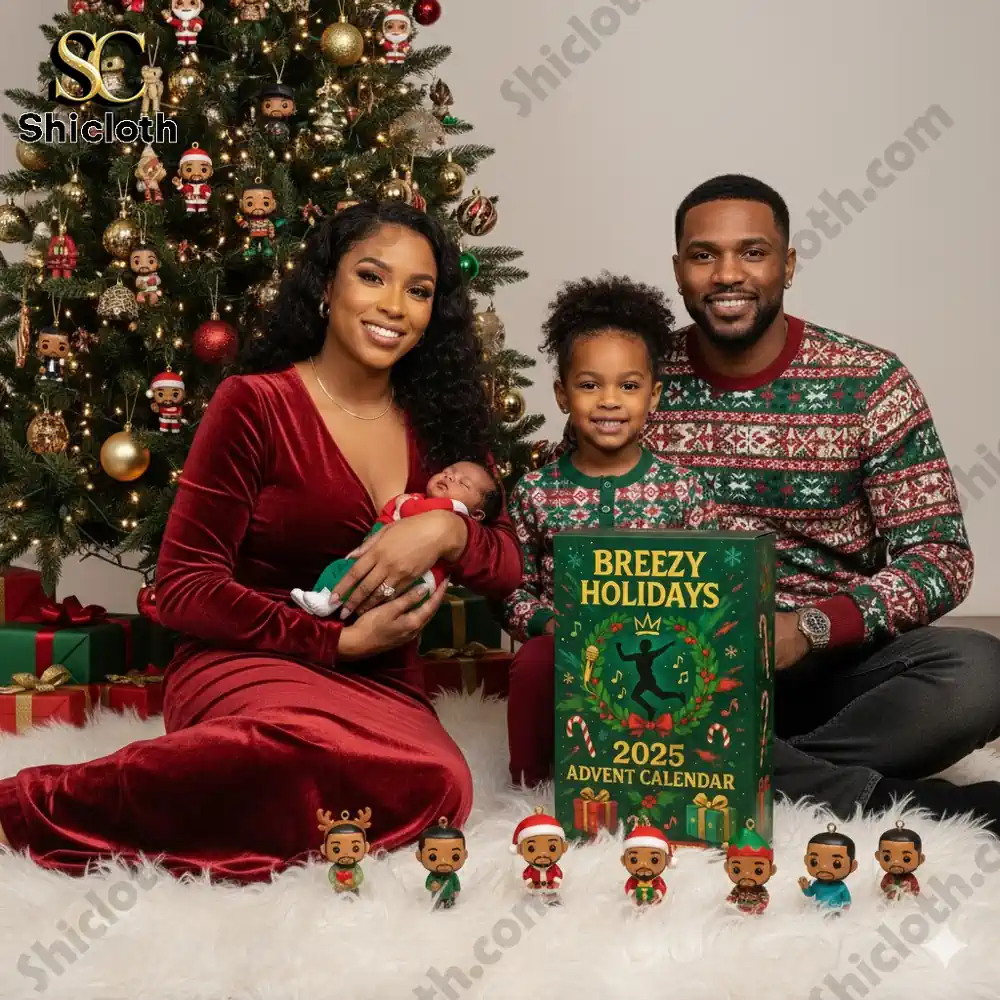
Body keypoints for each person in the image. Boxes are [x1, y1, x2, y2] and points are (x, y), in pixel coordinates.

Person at [0, 202, 522, 882]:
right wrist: (333, 642)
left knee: (436, 783)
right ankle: (29, 804)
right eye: (372, 277)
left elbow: (508, 568)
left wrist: (448, 528)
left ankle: (216, 789)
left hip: (382, 681)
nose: (394, 306)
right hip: (248, 658)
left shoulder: (442, 423)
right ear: (327, 287)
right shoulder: (255, 403)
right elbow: (184, 587)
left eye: (418, 290)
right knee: (291, 749)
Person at [537, 174, 1000, 832]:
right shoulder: (631, 379)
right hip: (682, 673)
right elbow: (578, 513)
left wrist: (814, 626)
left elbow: (942, 558)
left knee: (978, 674)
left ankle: (723, 773)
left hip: (836, 668)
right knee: (577, 681)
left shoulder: (867, 382)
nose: (729, 274)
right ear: (678, 270)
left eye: (752, 252)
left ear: (787, 263)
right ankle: (857, 796)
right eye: (704, 255)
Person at [503, 274, 717, 786]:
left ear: (654, 395)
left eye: (628, 385)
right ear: (561, 394)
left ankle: (679, 771)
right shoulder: (534, 492)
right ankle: (531, 788)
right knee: (535, 663)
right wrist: (548, 626)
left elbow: (715, 585)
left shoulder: (684, 490)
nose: (609, 401)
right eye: (589, 384)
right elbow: (513, 589)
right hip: (569, 641)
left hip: (660, 640)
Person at [292, 460, 503, 617]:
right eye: (448, 472)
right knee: (341, 569)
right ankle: (323, 597)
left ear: (476, 515)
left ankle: (329, 602)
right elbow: (388, 514)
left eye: (463, 484)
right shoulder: (422, 498)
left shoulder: (454, 510)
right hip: (379, 563)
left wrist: (403, 502)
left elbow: (410, 511)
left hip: (417, 578)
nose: (450, 477)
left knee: (356, 579)